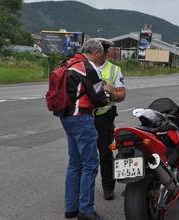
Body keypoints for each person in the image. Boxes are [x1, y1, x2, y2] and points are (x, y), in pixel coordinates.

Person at [60, 39, 114, 220]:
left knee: (74, 163)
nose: (102, 57)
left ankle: (71, 208)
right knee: (90, 165)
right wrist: (107, 90)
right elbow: (101, 100)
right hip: (82, 118)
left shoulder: (67, 64)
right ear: (97, 52)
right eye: (102, 53)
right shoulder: (88, 68)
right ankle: (86, 210)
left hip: (66, 117)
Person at [91, 38, 126, 200]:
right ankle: (85, 188)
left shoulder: (114, 70)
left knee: (105, 153)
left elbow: (121, 96)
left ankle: (108, 187)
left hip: (104, 117)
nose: (97, 54)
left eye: (101, 51)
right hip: (85, 116)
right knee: (84, 155)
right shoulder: (84, 67)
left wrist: (111, 92)